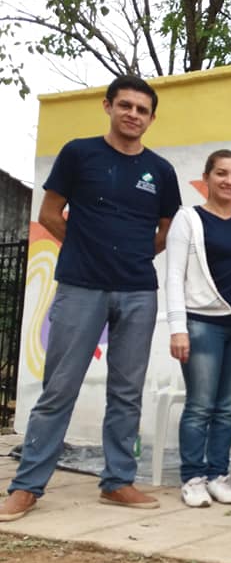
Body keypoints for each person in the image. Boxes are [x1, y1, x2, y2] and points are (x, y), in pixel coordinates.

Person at [0, 76, 181, 522]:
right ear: (108, 106)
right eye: (126, 105)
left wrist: (132, 256)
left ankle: (117, 481)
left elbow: (166, 232)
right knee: (59, 388)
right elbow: (49, 213)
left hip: (138, 292)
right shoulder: (79, 154)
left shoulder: (161, 171)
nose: (133, 115)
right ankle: (26, 487)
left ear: (152, 118)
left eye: (142, 109)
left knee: (127, 391)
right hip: (81, 286)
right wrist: (86, 248)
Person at [165, 150, 231, 508]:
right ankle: (193, 478)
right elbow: (174, 275)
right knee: (200, 405)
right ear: (206, 177)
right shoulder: (188, 219)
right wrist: (178, 327)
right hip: (202, 325)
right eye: (221, 173)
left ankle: (218, 476)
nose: (229, 181)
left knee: (227, 407)